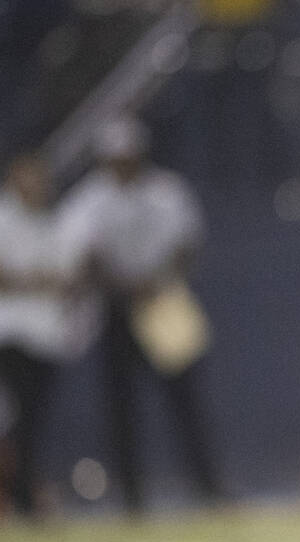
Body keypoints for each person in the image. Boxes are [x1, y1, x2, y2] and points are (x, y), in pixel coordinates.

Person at [57, 115, 223, 514]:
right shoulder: (90, 198)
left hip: (164, 304)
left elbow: (188, 244)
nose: (123, 164)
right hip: (117, 309)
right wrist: (127, 285)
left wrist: (158, 279)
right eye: (116, 158)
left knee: (185, 401)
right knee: (121, 407)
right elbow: (85, 255)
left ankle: (208, 488)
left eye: (129, 157)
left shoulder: (167, 191)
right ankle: (132, 496)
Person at [0, 152, 93, 518]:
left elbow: (71, 276)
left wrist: (33, 280)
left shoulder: (59, 219)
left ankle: (22, 493)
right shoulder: (4, 218)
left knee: (33, 421)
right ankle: (19, 493)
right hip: (10, 334)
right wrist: (38, 280)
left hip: (48, 336)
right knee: (16, 419)